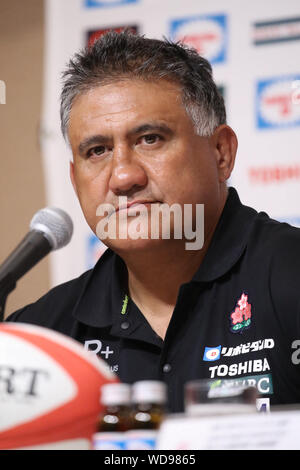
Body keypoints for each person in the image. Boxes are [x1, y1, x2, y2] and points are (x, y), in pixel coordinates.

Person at [6, 31, 300, 413]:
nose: (123, 177)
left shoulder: (290, 275)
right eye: (97, 151)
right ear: (75, 178)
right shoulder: (40, 338)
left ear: (221, 153)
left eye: (149, 139)